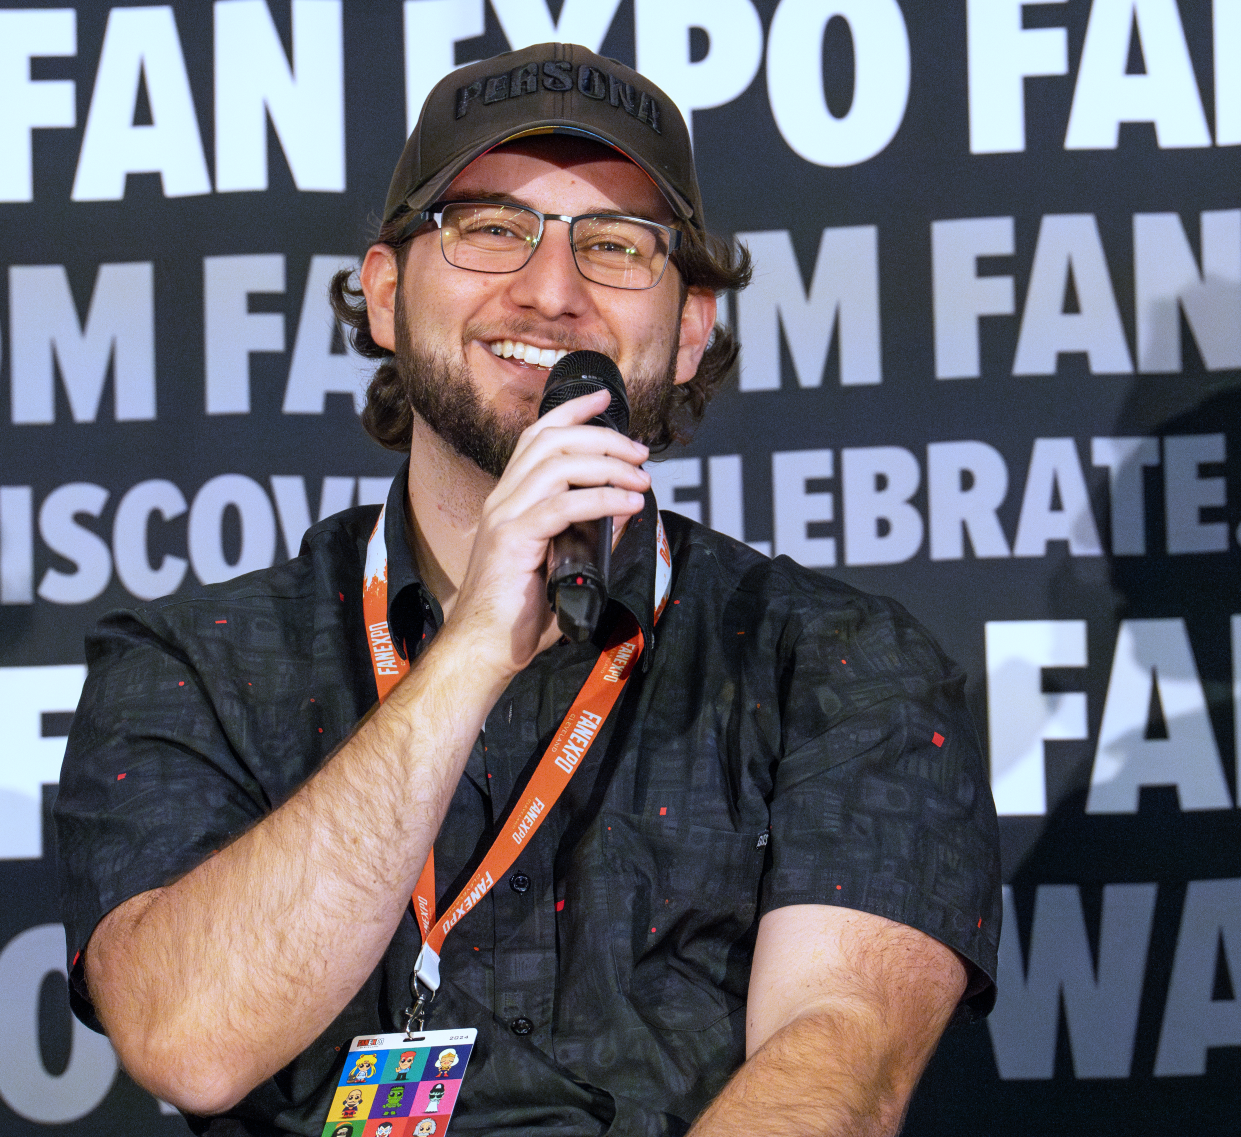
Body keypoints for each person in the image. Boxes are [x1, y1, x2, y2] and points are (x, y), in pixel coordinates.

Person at [56, 40, 998, 1135]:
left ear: (691, 330)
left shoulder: (840, 668)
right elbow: (188, 1038)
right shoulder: (197, 663)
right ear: (386, 293)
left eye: (616, 244)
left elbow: (841, 1063)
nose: (551, 291)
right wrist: (469, 651)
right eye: (492, 229)